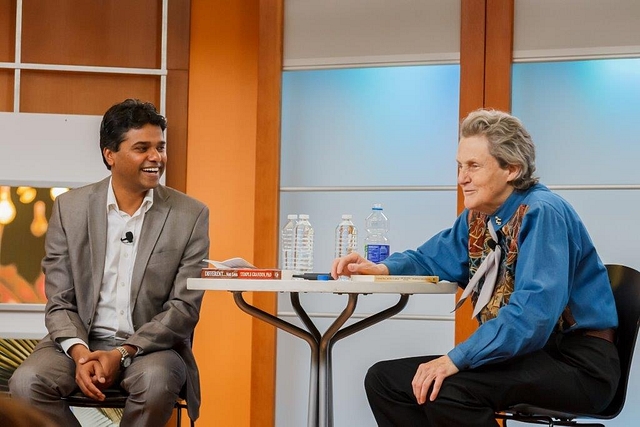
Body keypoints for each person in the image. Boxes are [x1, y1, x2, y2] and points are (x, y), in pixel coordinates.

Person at [332, 109, 620, 426]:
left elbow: (532, 315)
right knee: (385, 381)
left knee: (444, 389)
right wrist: (381, 269)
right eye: (459, 166)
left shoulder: (543, 212)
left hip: (577, 366)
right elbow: (430, 258)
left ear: (512, 168)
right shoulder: (481, 217)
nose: (461, 178)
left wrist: (455, 359)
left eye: (473, 166)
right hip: (531, 357)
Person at [9, 99, 210, 427]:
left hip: (150, 348)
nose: (155, 157)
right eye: (142, 148)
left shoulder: (190, 214)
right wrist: (79, 353)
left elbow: (184, 309)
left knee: (157, 382)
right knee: (27, 382)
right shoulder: (69, 209)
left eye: (160, 147)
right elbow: (59, 301)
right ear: (110, 155)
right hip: (80, 343)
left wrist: (123, 352)